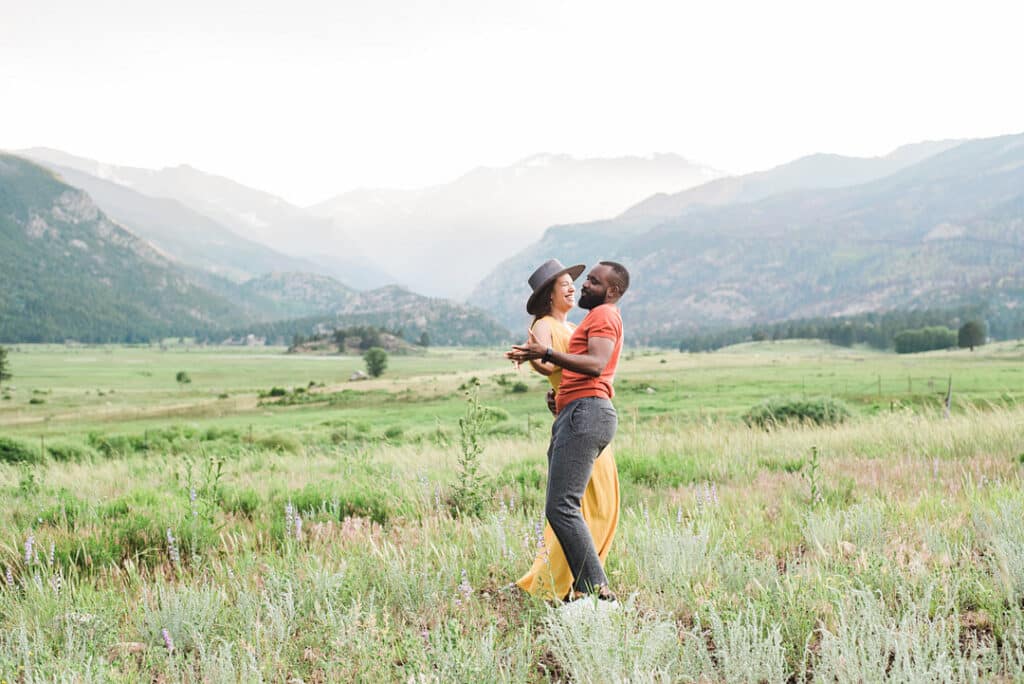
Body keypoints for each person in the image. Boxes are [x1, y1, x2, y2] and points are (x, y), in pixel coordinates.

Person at [507, 259, 629, 600]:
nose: (579, 286)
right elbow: (547, 362)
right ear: (549, 295)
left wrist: (544, 357)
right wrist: (555, 384)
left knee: (571, 506)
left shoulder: (598, 317)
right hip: (578, 411)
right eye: (569, 283)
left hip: (584, 413)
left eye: (589, 280)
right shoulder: (550, 324)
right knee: (574, 507)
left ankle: (593, 590)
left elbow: (592, 365)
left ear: (612, 290)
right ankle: (578, 586)